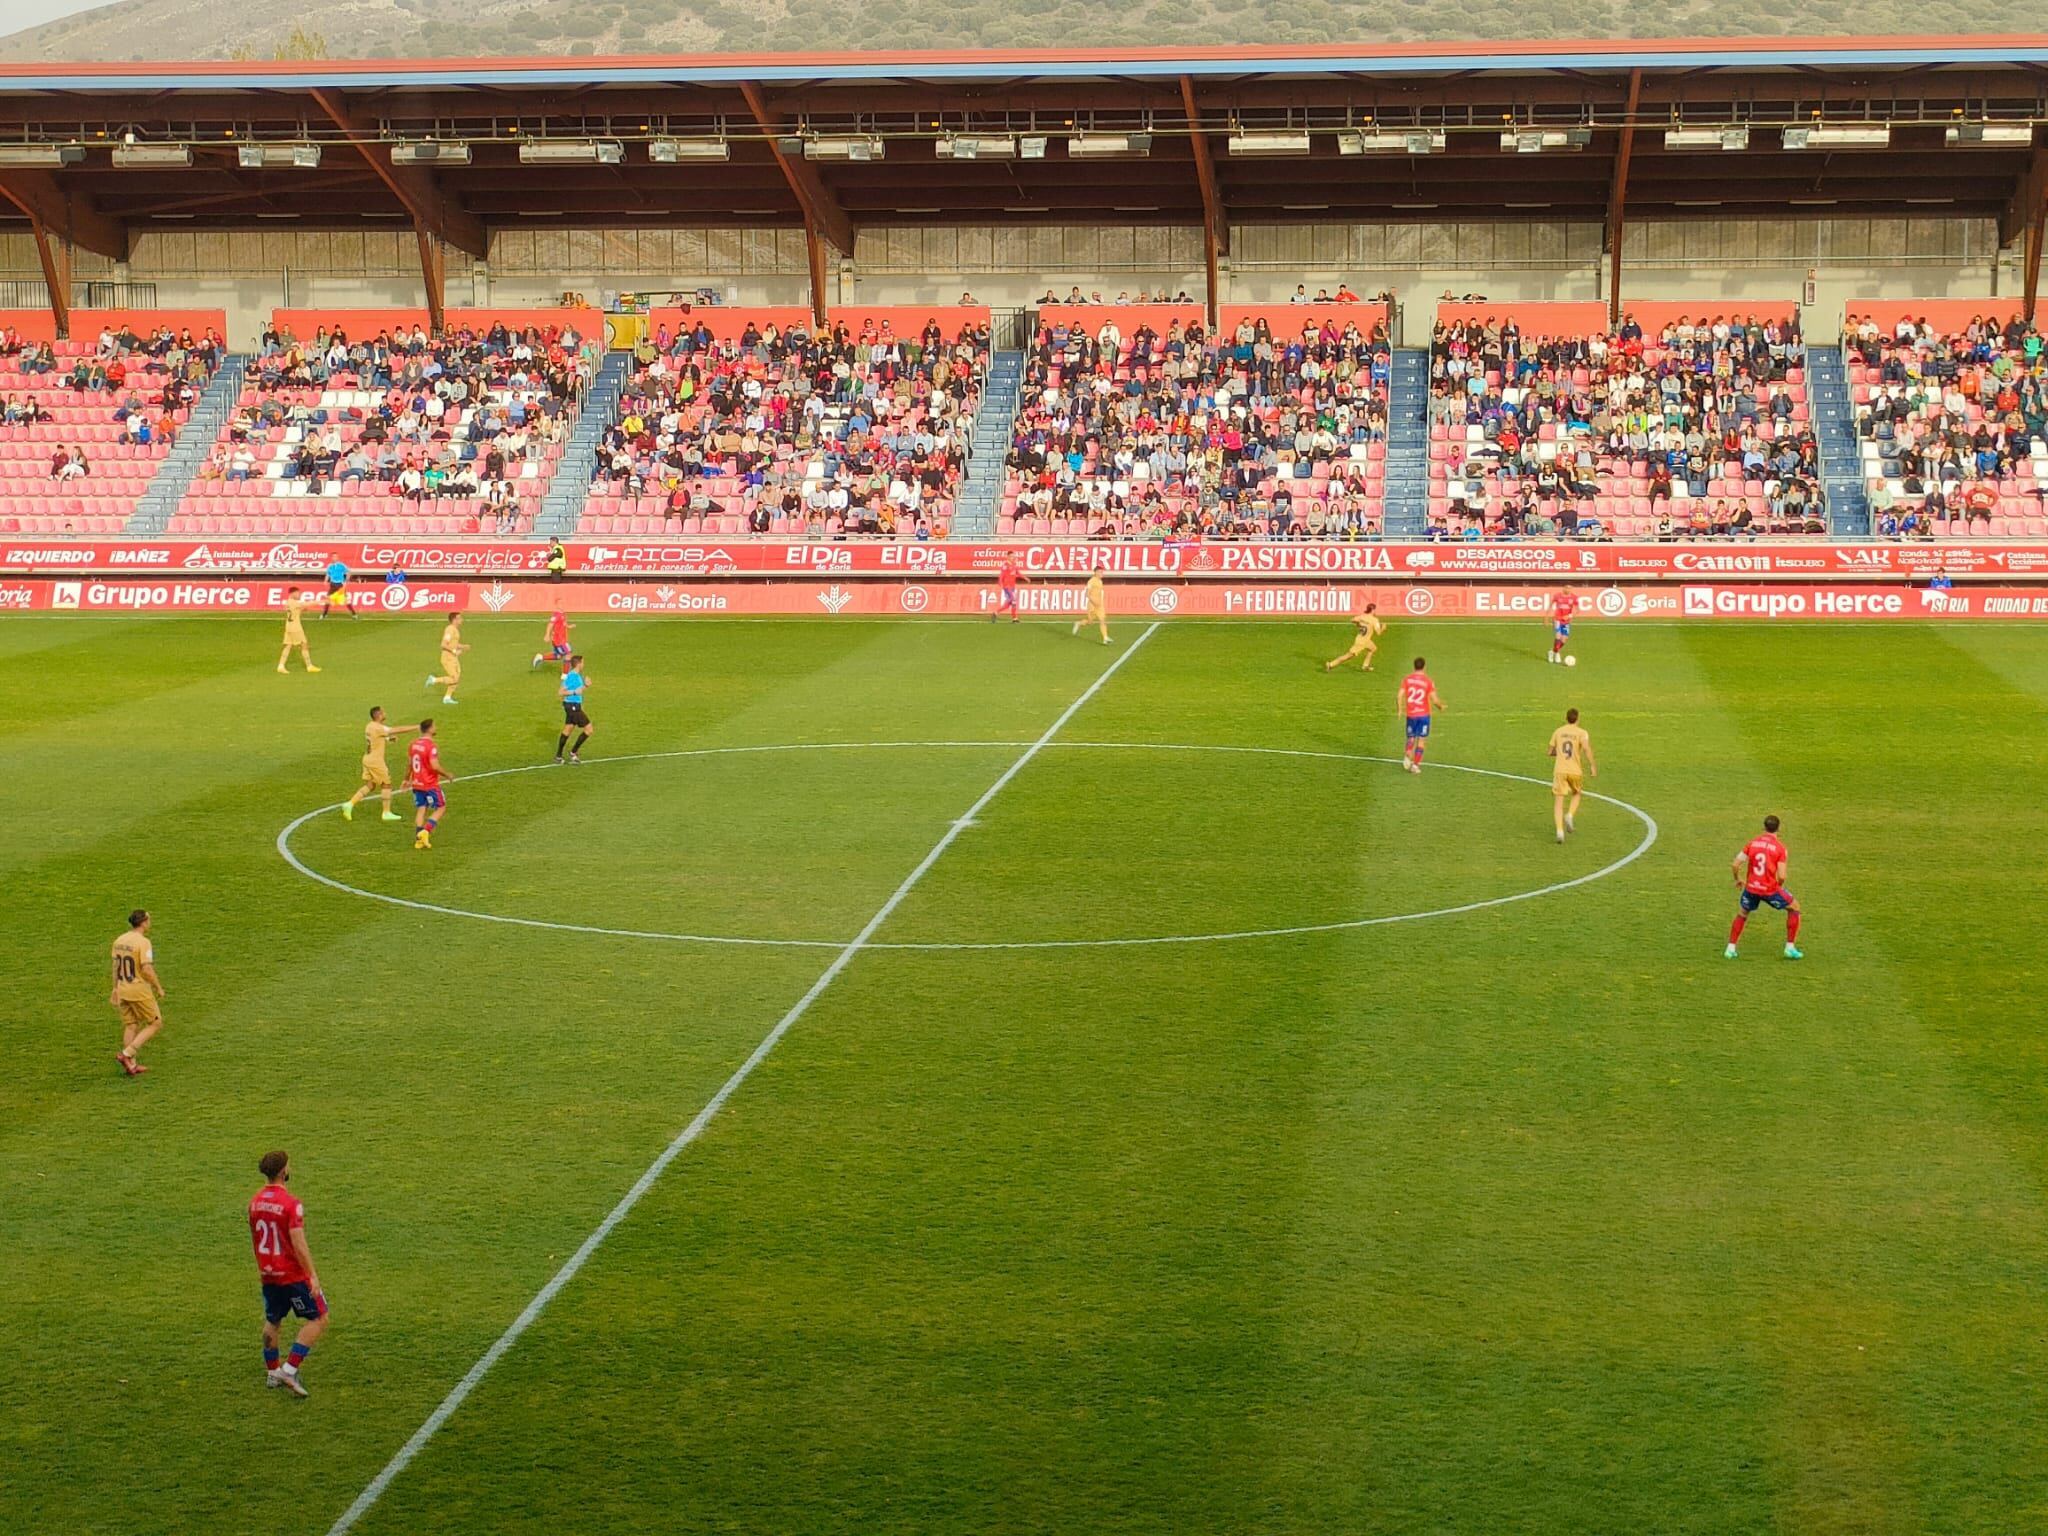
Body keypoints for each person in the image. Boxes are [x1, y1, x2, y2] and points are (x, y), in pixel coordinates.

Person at [248, 1149, 327, 1399]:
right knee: (319, 1318)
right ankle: (289, 1369)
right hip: (291, 1275)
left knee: (273, 1320)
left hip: (267, 1273)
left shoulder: (255, 1202)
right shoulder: (291, 1205)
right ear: (284, 1171)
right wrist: (312, 1274)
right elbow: (298, 1242)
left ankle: (272, 1372)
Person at [1727, 813, 1803, 960]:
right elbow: (1782, 876)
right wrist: (1778, 887)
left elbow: (1735, 864)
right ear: (1778, 829)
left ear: (1764, 827)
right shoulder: (1780, 848)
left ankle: (1730, 949)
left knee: (1742, 913)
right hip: (1769, 890)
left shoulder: (1752, 843)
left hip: (1751, 888)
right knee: (1794, 907)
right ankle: (1790, 948)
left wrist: (1737, 879)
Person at [110, 908, 164, 1077]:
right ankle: (127, 1054)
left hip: (123, 988)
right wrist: (158, 987)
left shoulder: (119, 940)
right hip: (138, 989)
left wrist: (115, 988)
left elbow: (115, 967)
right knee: (155, 1023)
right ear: (144, 922)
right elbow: (146, 969)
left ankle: (131, 1065)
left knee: (131, 1025)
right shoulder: (143, 942)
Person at [341, 706, 417, 823]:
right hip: (375, 761)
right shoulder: (378, 727)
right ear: (379, 715)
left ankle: (349, 804)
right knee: (387, 784)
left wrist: (388, 739)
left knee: (371, 785)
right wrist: (416, 727)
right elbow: (398, 729)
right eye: (383, 712)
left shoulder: (370, 726)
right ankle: (386, 813)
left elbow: (377, 737)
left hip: (367, 758)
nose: (385, 713)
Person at [1547, 707, 1596, 843]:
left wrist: (1559, 753)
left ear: (1566, 718)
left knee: (1558, 801)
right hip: (1575, 771)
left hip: (1560, 770)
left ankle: (1560, 831)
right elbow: (1586, 748)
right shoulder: (1582, 733)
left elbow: (1550, 751)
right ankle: (1569, 815)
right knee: (1577, 793)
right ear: (1578, 719)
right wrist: (1592, 766)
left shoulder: (1558, 731)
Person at [406, 719, 446, 851]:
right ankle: (425, 832)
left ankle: (418, 841)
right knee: (440, 808)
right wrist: (447, 774)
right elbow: (434, 766)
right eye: (434, 726)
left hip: (416, 783)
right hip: (429, 784)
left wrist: (406, 779)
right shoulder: (430, 746)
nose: (436, 728)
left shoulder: (413, 744)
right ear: (429, 729)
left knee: (421, 808)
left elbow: (410, 763)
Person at [1398, 657, 1442, 775]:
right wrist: (1441, 706)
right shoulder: (1428, 681)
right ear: (1424, 666)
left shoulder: (1407, 679)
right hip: (1423, 715)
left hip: (1411, 714)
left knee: (1411, 737)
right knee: (1421, 740)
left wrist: (1399, 709)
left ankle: (1408, 751)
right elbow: (1434, 700)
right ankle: (1415, 766)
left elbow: (1399, 695)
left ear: (1414, 666)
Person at [554, 655, 593, 764]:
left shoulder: (577, 676)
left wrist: (586, 686)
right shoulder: (572, 676)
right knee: (589, 729)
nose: (584, 665)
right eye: (583, 662)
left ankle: (558, 756)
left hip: (573, 705)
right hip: (572, 706)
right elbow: (560, 692)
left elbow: (578, 691)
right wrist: (574, 692)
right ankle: (573, 752)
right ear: (579, 664)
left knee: (568, 729)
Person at [1324, 603, 1384, 672]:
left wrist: (1358, 624)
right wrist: (1383, 628)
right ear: (1373, 610)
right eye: (1375, 610)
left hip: (1362, 639)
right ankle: (1331, 664)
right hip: (1362, 642)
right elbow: (1379, 633)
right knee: (1348, 656)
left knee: (1373, 648)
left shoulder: (1362, 616)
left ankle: (1365, 666)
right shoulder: (1374, 620)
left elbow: (1352, 620)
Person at [276, 587, 320, 674]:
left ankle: (281, 666)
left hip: (289, 626)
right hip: (295, 628)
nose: (299, 595)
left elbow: (297, 611)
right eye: (298, 593)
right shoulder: (294, 603)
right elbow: (307, 604)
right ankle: (309, 666)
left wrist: (302, 609)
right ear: (293, 593)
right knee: (304, 645)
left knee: (288, 646)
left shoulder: (288, 602)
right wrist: (321, 601)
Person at [426, 613, 467, 705]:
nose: (462, 620)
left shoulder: (455, 630)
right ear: (454, 620)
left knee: (457, 677)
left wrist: (463, 646)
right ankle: (433, 680)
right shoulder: (449, 630)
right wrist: (454, 651)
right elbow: (443, 644)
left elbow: (454, 643)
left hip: (453, 657)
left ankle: (447, 698)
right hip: (448, 658)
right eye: (460, 618)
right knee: (454, 678)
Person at [1071, 570, 1110, 645]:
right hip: (1092, 605)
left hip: (1099, 605)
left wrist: (1099, 601)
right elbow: (1087, 594)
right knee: (1090, 622)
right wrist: (1093, 601)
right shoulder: (1091, 581)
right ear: (1096, 572)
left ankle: (1105, 638)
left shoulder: (1100, 581)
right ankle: (1078, 623)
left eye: (1102, 572)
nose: (1102, 574)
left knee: (1102, 620)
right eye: (1100, 572)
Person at [531, 608, 572, 672]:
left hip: (561, 638)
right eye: (561, 603)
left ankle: (540, 657)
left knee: (559, 656)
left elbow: (563, 623)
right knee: (568, 654)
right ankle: (565, 675)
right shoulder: (556, 615)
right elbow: (550, 624)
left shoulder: (563, 613)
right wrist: (547, 634)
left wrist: (568, 626)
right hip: (558, 639)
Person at [1548, 588, 1580, 664]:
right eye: (1567, 587)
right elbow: (1550, 605)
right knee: (1558, 636)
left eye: (1570, 587)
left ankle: (1553, 652)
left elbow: (1577, 610)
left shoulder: (1574, 597)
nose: (1568, 589)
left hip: (1566, 621)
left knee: (1564, 640)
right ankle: (1557, 654)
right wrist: (1546, 617)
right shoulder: (1557, 596)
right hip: (1557, 619)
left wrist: (1569, 616)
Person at [992, 555, 1023, 624]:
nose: (1015, 560)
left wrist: (1025, 578)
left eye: (1015, 559)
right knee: (1013, 600)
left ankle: (996, 612)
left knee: (1009, 604)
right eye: (1014, 559)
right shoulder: (1006, 565)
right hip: (1007, 587)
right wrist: (1000, 582)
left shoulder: (1015, 567)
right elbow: (1002, 574)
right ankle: (1014, 618)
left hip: (1012, 587)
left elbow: (1018, 574)